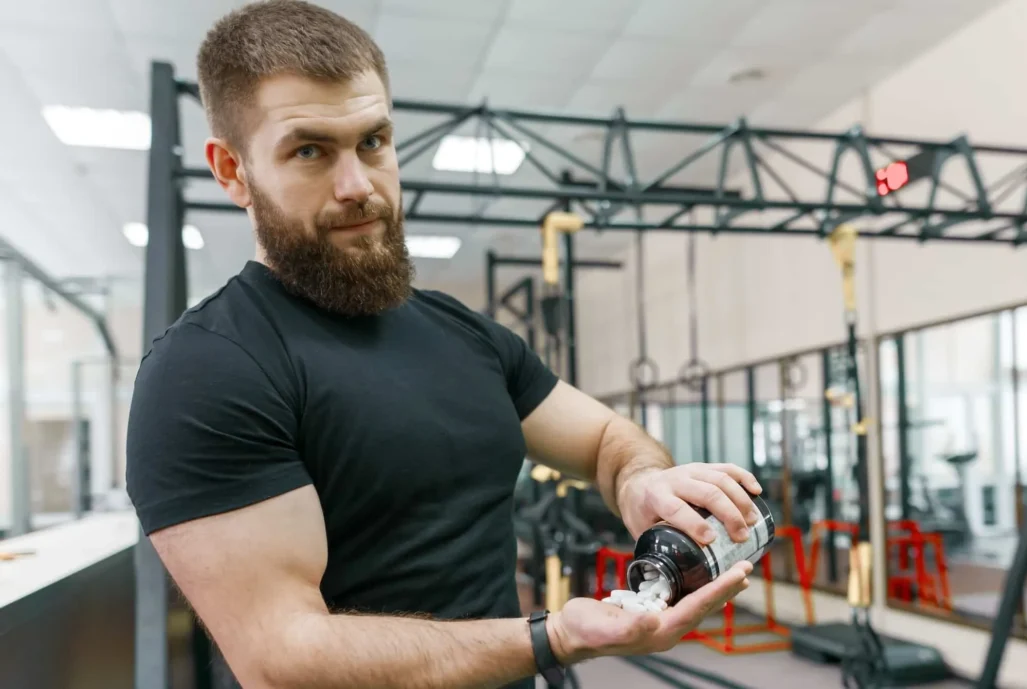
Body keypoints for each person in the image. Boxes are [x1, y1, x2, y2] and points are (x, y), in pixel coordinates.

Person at [123, 2, 763, 688]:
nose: (358, 185)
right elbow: (284, 656)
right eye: (310, 150)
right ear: (232, 171)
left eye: (373, 142)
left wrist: (641, 480)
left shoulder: (460, 332)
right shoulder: (206, 370)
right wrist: (552, 637)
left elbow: (606, 438)